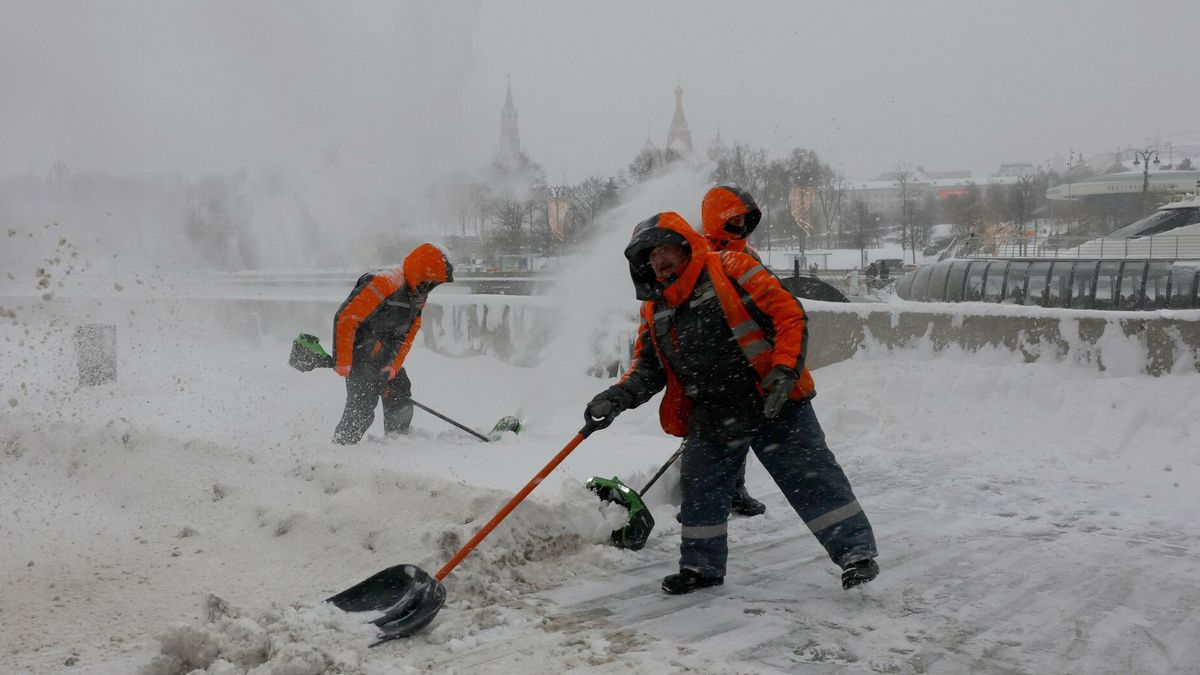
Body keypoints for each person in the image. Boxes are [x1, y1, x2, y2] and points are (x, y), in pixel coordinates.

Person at [585, 212, 878, 594]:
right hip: (711, 412)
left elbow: (788, 315)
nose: (658, 260)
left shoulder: (733, 267)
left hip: (771, 400)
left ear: (685, 244)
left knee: (812, 478)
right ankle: (700, 567)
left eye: (663, 249)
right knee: (702, 491)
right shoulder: (655, 308)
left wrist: (786, 369)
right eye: (649, 256)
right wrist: (616, 396)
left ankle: (855, 554)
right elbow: (648, 367)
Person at [331, 243, 453, 445]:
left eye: (434, 283)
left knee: (400, 391)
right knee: (362, 405)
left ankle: (396, 443)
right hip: (359, 353)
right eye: (430, 281)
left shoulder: (418, 295)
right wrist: (343, 361)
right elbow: (346, 318)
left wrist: (393, 366)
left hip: (383, 353)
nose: (430, 286)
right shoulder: (385, 282)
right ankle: (341, 447)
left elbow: (408, 335)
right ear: (420, 272)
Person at [699, 184, 768, 517]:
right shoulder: (698, 255)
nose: (740, 225)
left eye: (744, 219)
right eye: (733, 219)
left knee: (739, 429)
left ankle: (734, 488)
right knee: (704, 430)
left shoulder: (750, 257)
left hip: (744, 358)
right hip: (707, 356)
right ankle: (699, 494)